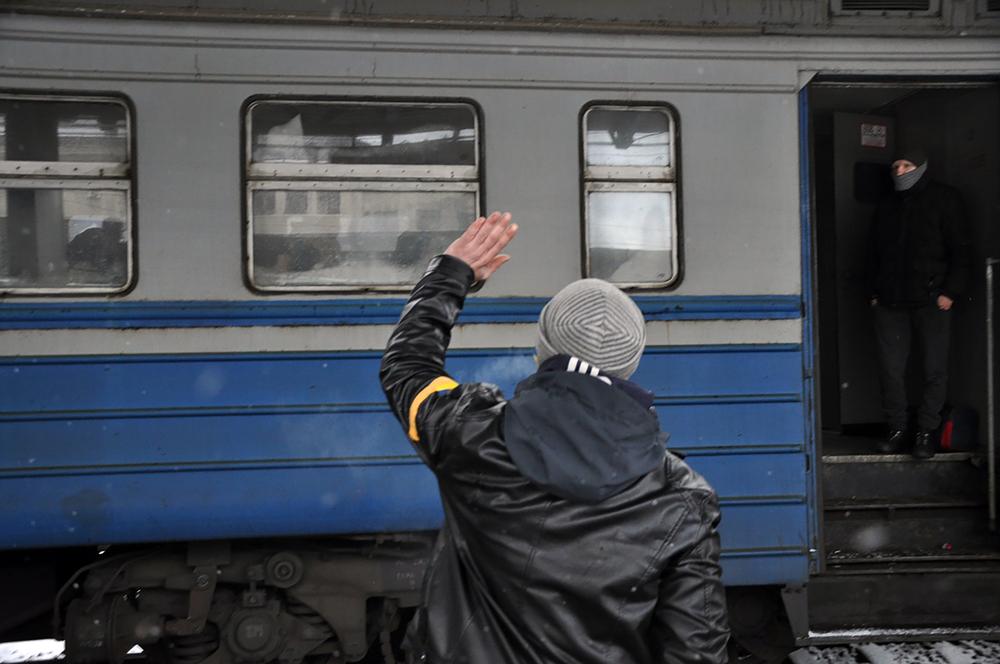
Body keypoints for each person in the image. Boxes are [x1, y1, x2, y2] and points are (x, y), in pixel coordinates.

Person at [380, 211, 730, 664]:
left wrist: (451, 274)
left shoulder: (470, 434)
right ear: (632, 363)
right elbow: (695, 653)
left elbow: (408, 367)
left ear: (541, 348)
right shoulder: (683, 500)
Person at [868, 149, 971, 459]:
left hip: (931, 299)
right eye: (896, 166)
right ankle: (897, 430)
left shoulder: (944, 199)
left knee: (934, 369)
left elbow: (961, 250)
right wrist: (874, 291)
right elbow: (872, 251)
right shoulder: (887, 205)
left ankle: (926, 433)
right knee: (891, 369)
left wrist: (950, 292)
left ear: (921, 167)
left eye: (907, 165)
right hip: (890, 301)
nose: (900, 171)